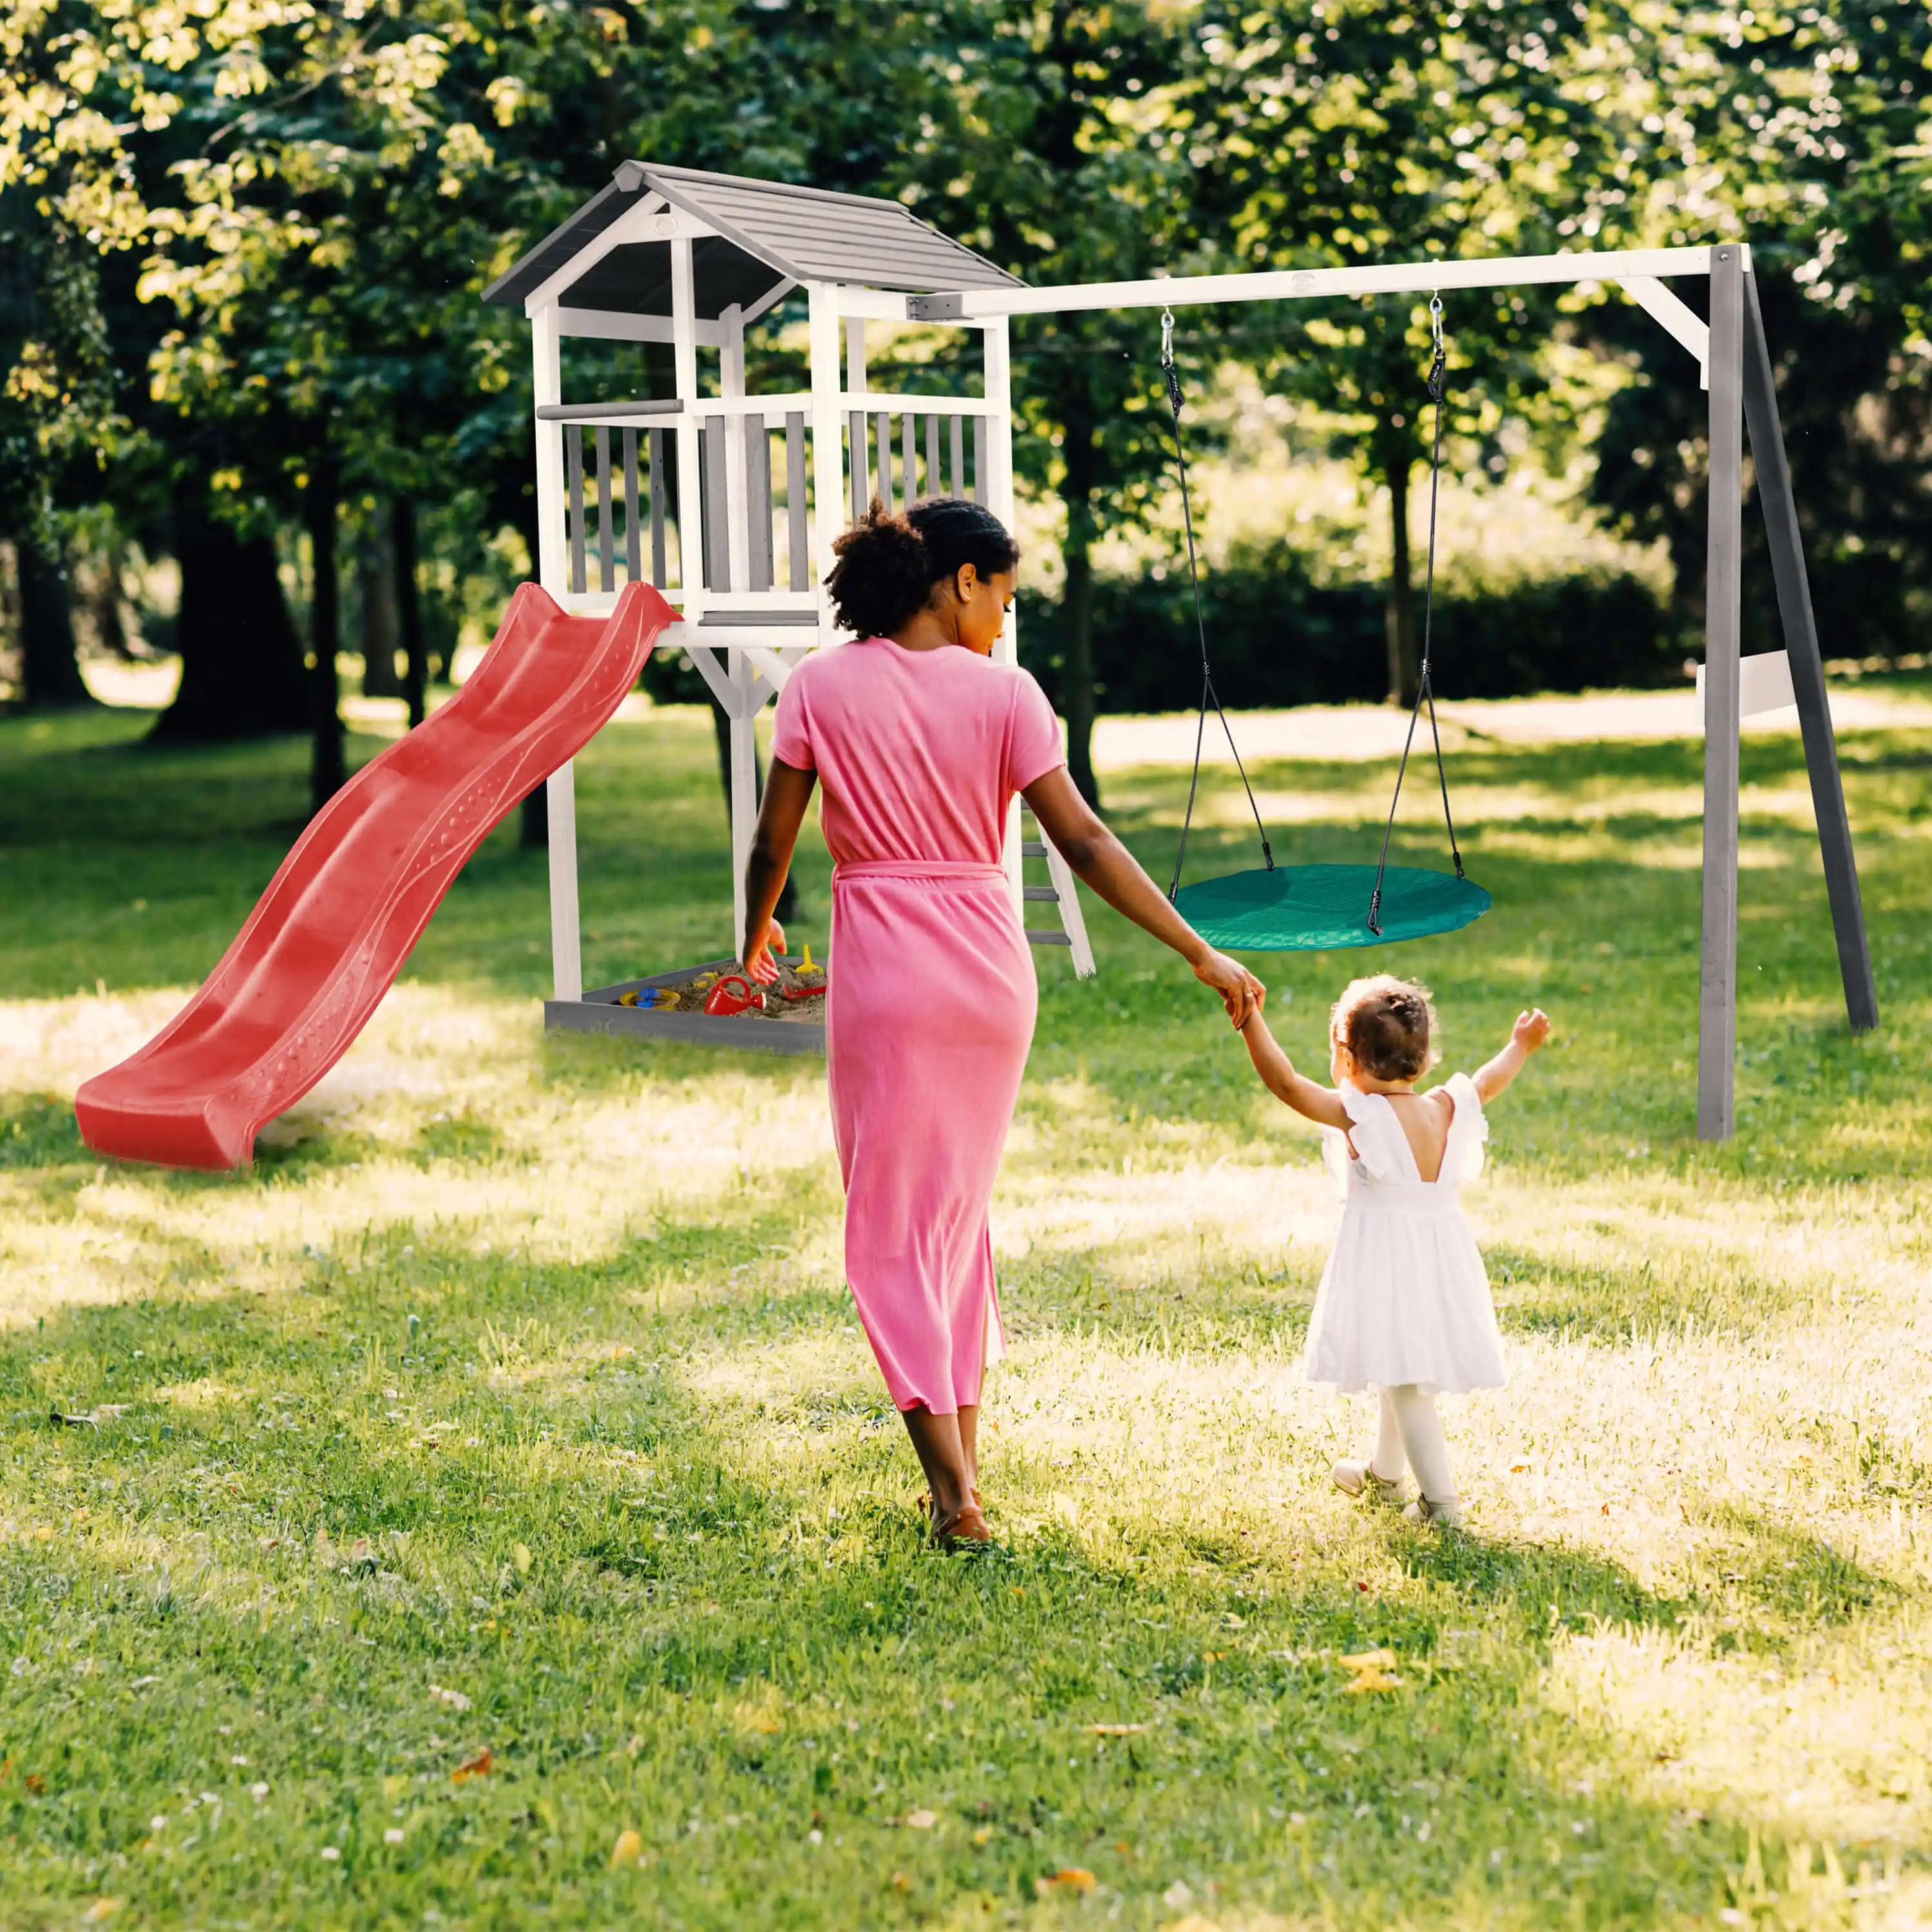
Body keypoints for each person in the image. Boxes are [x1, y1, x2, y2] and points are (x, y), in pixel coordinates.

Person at [741, 497, 1265, 1546]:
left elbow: (773, 842)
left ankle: (954, 1494)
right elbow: (1084, 844)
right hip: (989, 975)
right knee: (952, 1225)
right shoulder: (1009, 697)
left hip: (887, 976)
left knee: (891, 1232)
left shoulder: (818, 686)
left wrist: (752, 938)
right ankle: (961, 1479)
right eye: (1005, 597)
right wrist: (1197, 948)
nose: (1005, 620)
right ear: (960, 580)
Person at [1235, 975, 1551, 1528]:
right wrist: (1520, 1046)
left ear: (1348, 1058)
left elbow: (1286, 1084)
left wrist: (1249, 1020)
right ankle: (1384, 1476)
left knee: (1406, 1383)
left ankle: (1441, 1504)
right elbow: (1488, 1080)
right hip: (1438, 1259)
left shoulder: (1361, 1116)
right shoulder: (1446, 1106)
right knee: (1394, 1362)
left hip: (1388, 1263)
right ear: (1423, 1060)